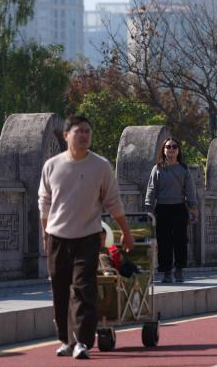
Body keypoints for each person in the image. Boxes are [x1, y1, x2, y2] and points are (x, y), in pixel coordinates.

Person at [39, 115, 132, 360]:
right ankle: (65, 339)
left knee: (83, 287)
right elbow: (44, 203)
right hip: (58, 237)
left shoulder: (100, 166)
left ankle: (82, 341)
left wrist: (126, 232)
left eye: (87, 131)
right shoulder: (52, 166)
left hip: (88, 236)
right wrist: (45, 234)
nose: (83, 135)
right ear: (66, 135)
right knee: (60, 289)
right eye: (78, 131)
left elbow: (113, 201)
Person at [144, 138, 198, 283]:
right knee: (164, 242)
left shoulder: (183, 169)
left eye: (174, 147)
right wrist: (149, 208)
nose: (171, 149)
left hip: (179, 208)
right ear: (163, 150)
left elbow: (190, 189)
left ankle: (179, 270)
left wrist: (193, 207)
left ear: (178, 150)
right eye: (168, 147)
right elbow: (151, 189)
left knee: (180, 240)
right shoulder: (157, 168)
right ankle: (167, 272)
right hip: (162, 208)